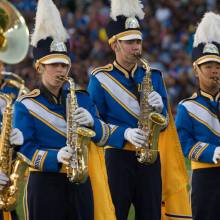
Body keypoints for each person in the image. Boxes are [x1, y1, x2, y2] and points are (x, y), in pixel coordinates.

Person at [12, 0, 109, 220]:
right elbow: (25, 149)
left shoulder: (82, 98)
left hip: (81, 182)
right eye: (54, 64)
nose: (60, 69)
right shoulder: (26, 104)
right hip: (44, 185)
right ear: (40, 67)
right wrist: (56, 157)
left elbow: (102, 139)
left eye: (64, 65)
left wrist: (94, 124)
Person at [88, 0, 169, 219]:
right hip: (117, 158)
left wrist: (160, 110)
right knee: (116, 214)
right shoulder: (100, 79)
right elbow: (94, 126)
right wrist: (123, 133)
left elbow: (165, 125)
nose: (137, 47)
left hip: (150, 159)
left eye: (138, 41)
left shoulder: (154, 76)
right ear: (115, 45)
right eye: (130, 42)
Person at [175, 12, 220, 220]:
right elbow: (185, 144)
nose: (214, 72)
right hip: (205, 177)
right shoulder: (187, 107)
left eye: (218, 67)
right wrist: (214, 152)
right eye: (208, 66)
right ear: (196, 70)